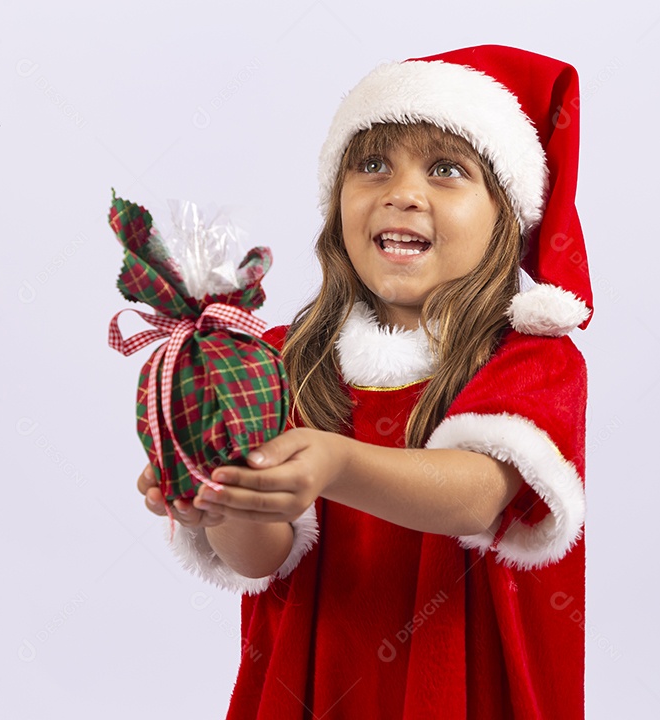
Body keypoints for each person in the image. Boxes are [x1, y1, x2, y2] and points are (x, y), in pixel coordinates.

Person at [138, 44, 593, 719]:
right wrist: (226, 498)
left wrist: (334, 462)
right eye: (372, 164)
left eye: (446, 169)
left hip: (465, 692)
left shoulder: (529, 359)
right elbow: (262, 559)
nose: (401, 193)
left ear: (506, 216)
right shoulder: (279, 361)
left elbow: (476, 496)